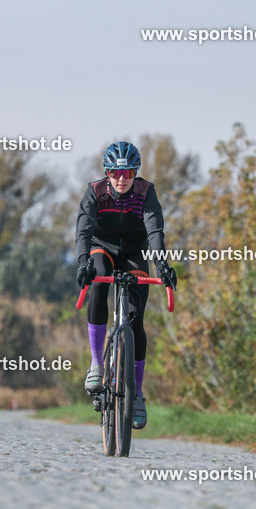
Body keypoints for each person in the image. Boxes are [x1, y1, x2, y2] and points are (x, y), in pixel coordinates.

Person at [75, 141, 177, 430]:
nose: (122, 179)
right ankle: (96, 365)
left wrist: (162, 265)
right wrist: (83, 263)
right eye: (115, 173)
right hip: (101, 248)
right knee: (98, 280)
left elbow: (155, 231)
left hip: (134, 254)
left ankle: (137, 394)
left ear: (135, 173)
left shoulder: (146, 192)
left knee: (135, 321)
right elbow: (83, 231)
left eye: (128, 173)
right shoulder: (95, 191)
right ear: (107, 173)